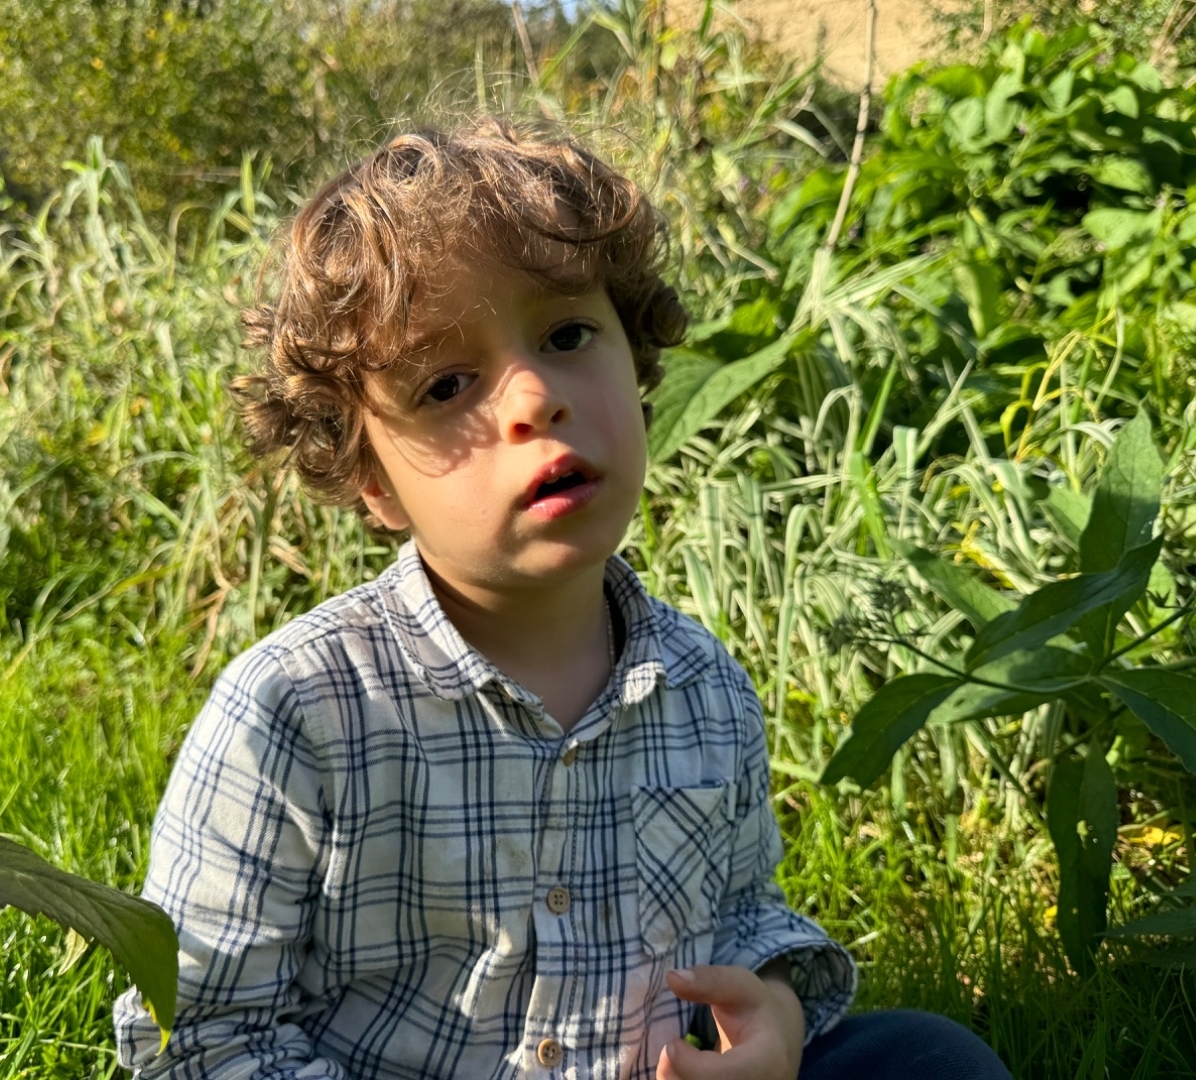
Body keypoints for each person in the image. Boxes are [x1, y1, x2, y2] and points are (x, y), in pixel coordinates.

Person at [112, 116, 1011, 1080]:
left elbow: (744, 912)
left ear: (637, 357)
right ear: (373, 480)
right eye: (446, 385)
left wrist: (775, 1018)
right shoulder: (298, 713)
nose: (534, 397)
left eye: (568, 334)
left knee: (932, 1059)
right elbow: (198, 1033)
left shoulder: (703, 687)